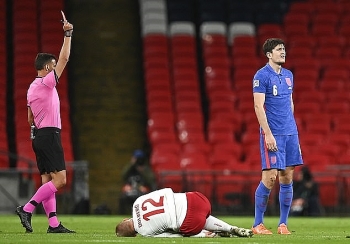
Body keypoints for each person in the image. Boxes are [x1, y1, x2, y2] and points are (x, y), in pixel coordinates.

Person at [15, 11, 75, 233]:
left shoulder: (31, 88)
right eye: (52, 65)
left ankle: (53, 224)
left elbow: (30, 118)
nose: (54, 67)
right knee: (60, 181)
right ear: (48, 67)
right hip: (49, 134)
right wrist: (68, 34)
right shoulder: (46, 83)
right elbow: (65, 59)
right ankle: (27, 209)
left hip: (38, 135)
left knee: (47, 181)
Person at [251, 38, 303, 235]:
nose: (283, 52)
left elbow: (290, 103)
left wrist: (294, 131)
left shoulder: (289, 75)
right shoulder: (261, 76)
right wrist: (268, 134)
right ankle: (257, 224)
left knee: (287, 177)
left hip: (290, 133)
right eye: (279, 49)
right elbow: (258, 106)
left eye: (284, 49)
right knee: (270, 177)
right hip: (273, 134)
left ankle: (283, 224)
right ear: (268, 54)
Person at [115, 188, 253, 238]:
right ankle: (230, 228)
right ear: (125, 219)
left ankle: (209, 234)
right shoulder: (138, 202)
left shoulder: (144, 232)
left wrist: (200, 236)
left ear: (133, 235)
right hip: (196, 198)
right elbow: (165, 191)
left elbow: (169, 236)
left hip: (192, 222)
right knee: (200, 215)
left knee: (181, 227)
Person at [118, 149, 156, 214]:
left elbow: (151, 180)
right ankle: (122, 215)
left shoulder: (146, 169)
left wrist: (142, 170)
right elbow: (123, 175)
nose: (139, 161)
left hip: (142, 192)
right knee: (123, 198)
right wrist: (131, 164)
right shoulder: (130, 169)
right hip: (131, 191)